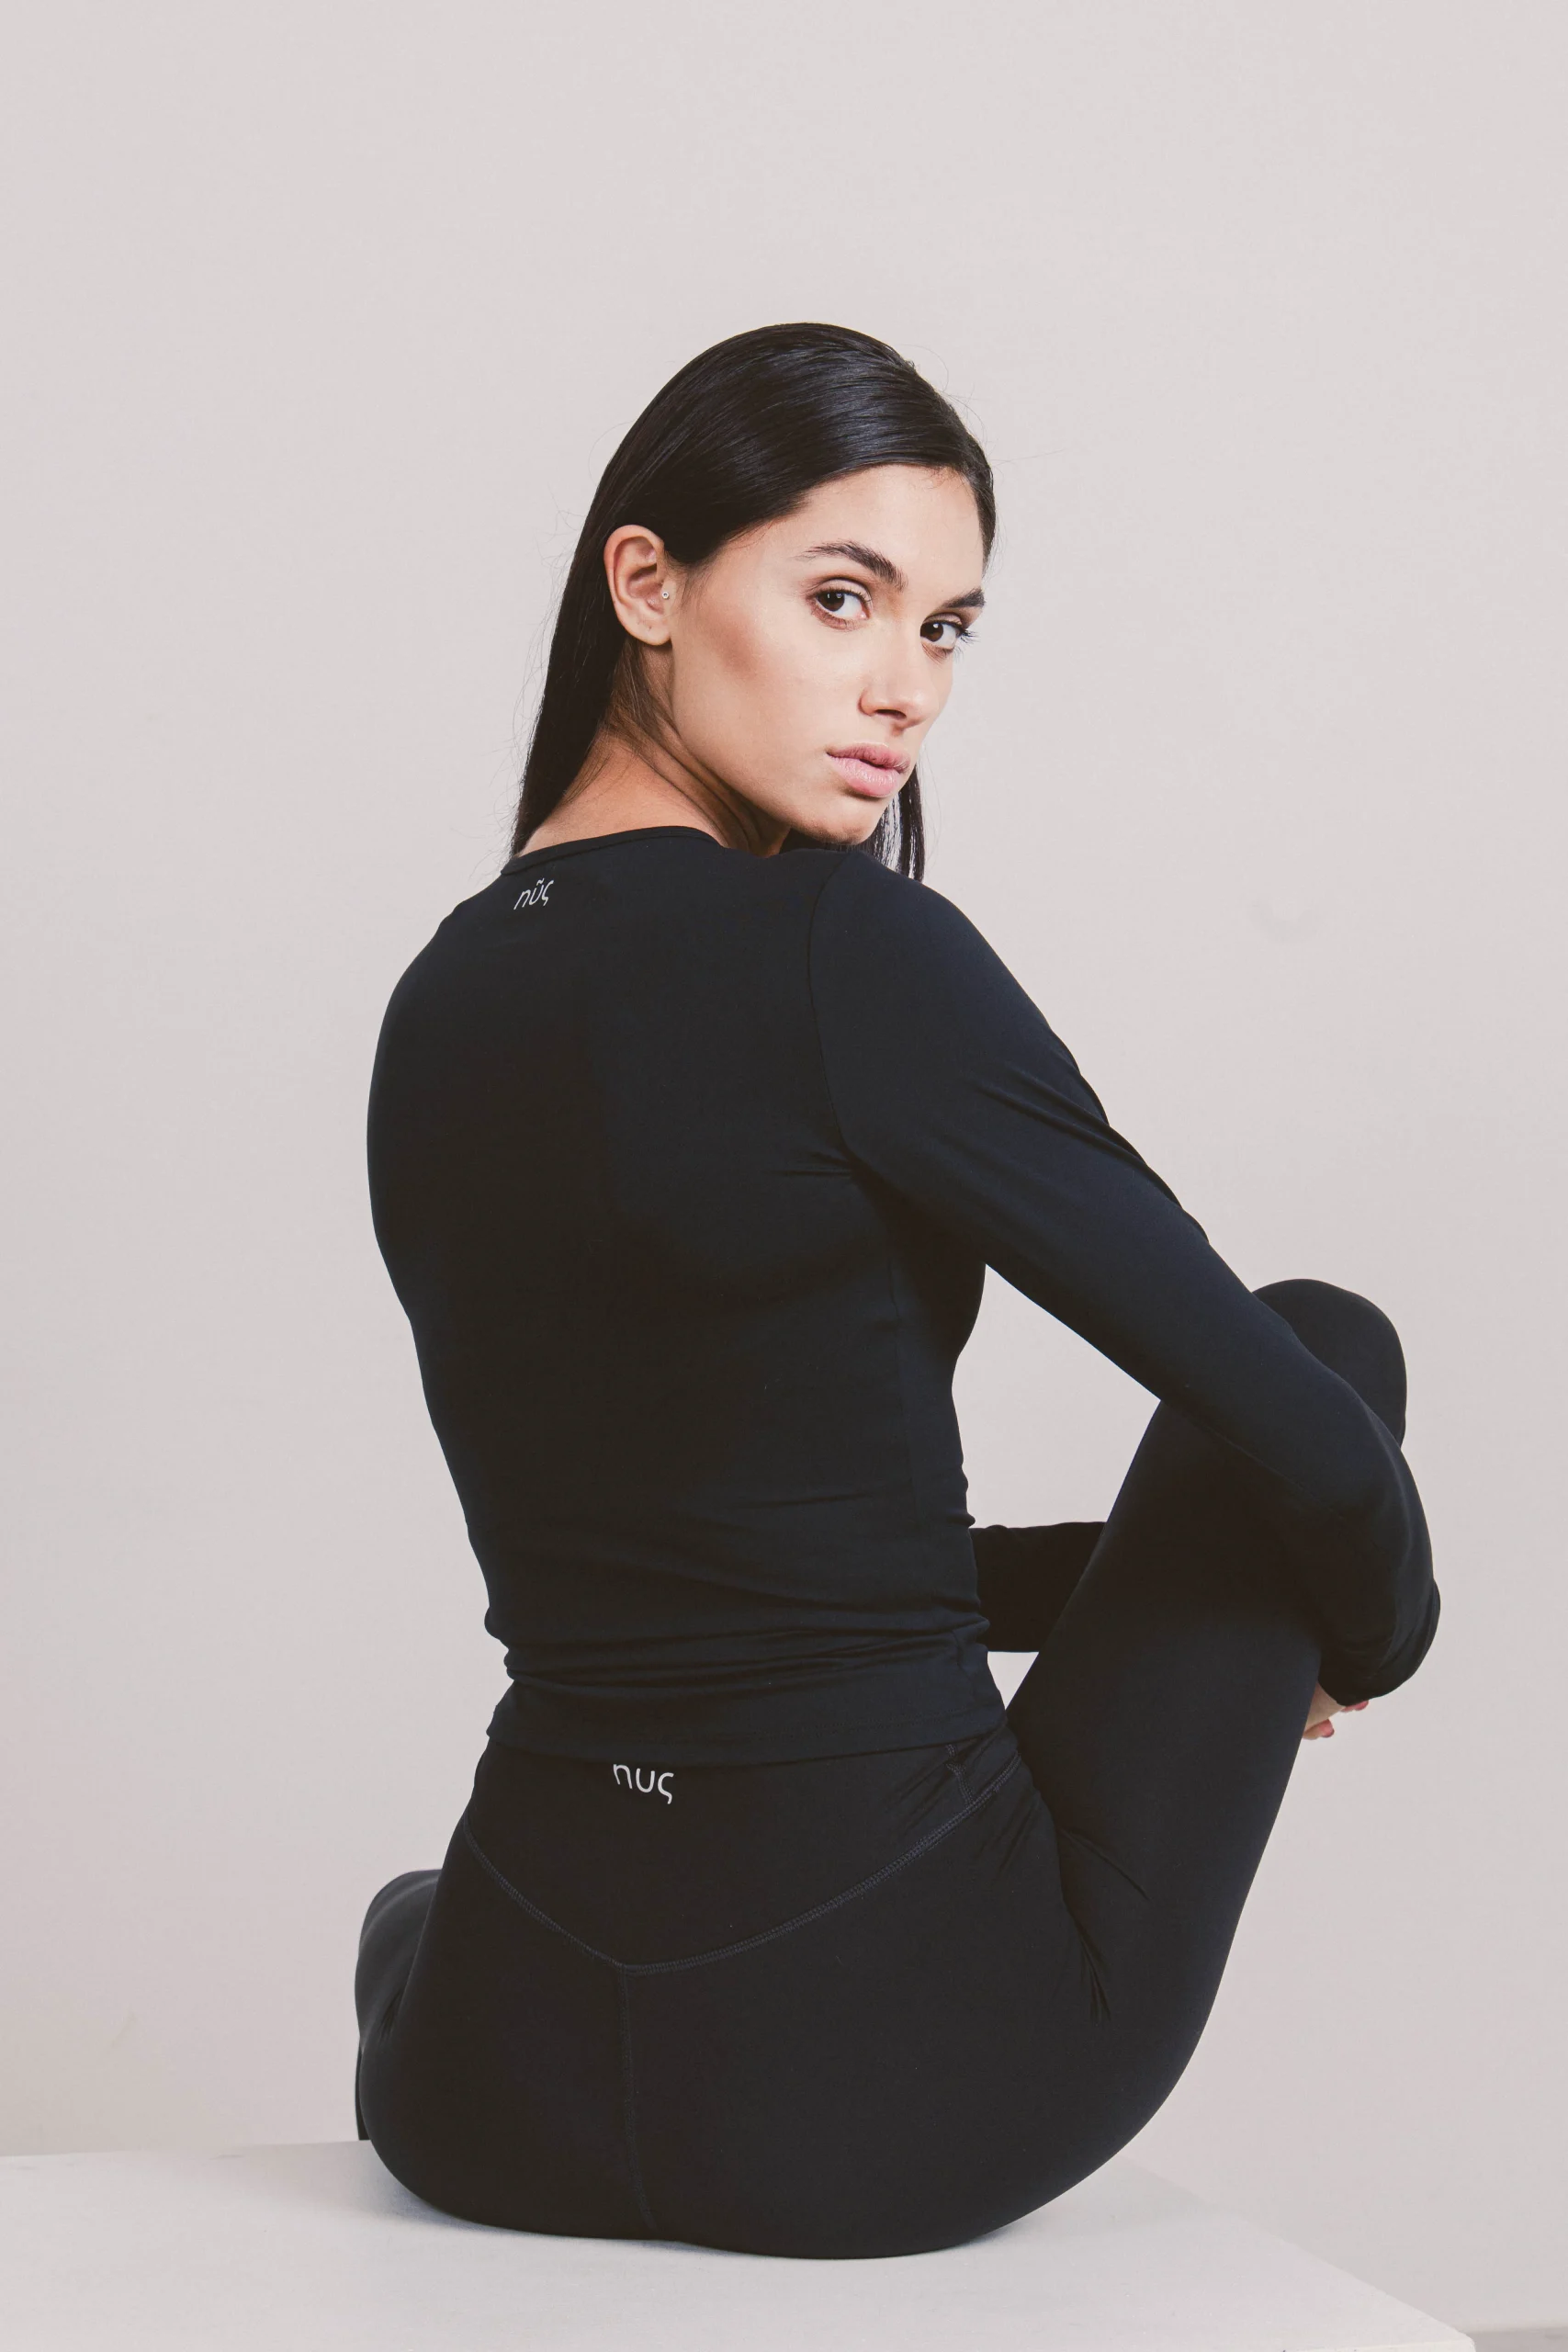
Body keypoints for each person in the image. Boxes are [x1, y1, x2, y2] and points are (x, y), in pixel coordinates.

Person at [354, 322, 1437, 2260]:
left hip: (491, 2081)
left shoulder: (435, 1001)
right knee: (1324, 1339)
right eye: (841, 599)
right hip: (887, 2092)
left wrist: (1122, 1591)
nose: (903, 686)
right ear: (646, 581)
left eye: (945, 629)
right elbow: (1312, 1450)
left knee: (412, 1917)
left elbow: (727, 1549)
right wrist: (1356, 1632)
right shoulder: (850, 950)